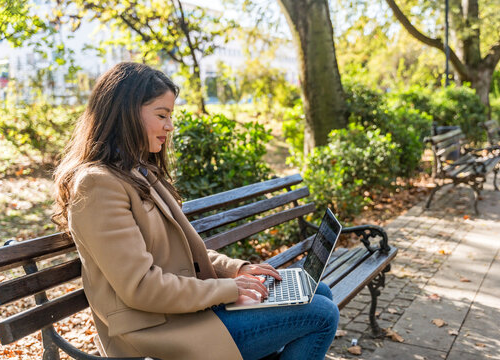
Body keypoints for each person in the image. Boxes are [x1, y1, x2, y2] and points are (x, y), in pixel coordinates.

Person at [52, 62, 339, 360]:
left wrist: (236, 270)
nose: (169, 126)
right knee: (321, 313)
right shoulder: (98, 185)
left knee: (320, 293)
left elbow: (186, 251)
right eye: (162, 115)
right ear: (125, 114)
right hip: (154, 329)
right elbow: (140, 287)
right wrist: (230, 289)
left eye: (170, 116)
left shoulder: (138, 171)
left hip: (181, 310)